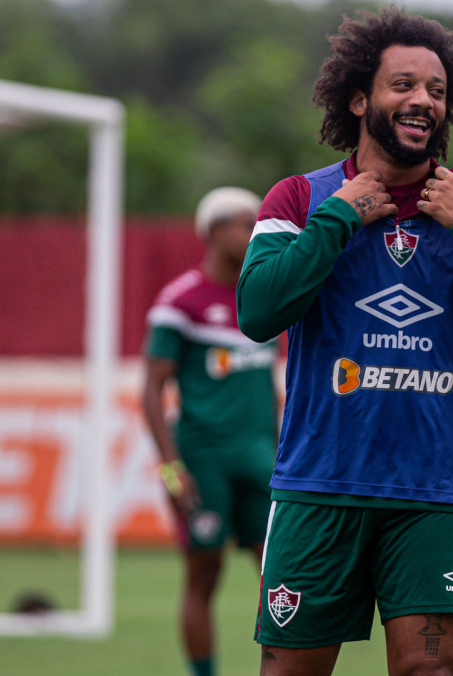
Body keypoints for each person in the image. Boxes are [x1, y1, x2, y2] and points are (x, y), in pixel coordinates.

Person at [237, 6, 453, 676]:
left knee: (428, 669)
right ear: (359, 100)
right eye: (403, 85)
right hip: (320, 484)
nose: (422, 100)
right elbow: (257, 313)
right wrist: (337, 219)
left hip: (436, 489)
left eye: (436, 90)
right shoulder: (300, 199)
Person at [142, 186, 279, 676]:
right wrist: (171, 471)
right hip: (204, 460)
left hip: (262, 459)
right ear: (217, 231)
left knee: (282, 576)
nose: (256, 232)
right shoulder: (180, 300)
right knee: (204, 574)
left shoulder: (265, 297)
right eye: (247, 223)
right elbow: (151, 389)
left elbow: (271, 387)